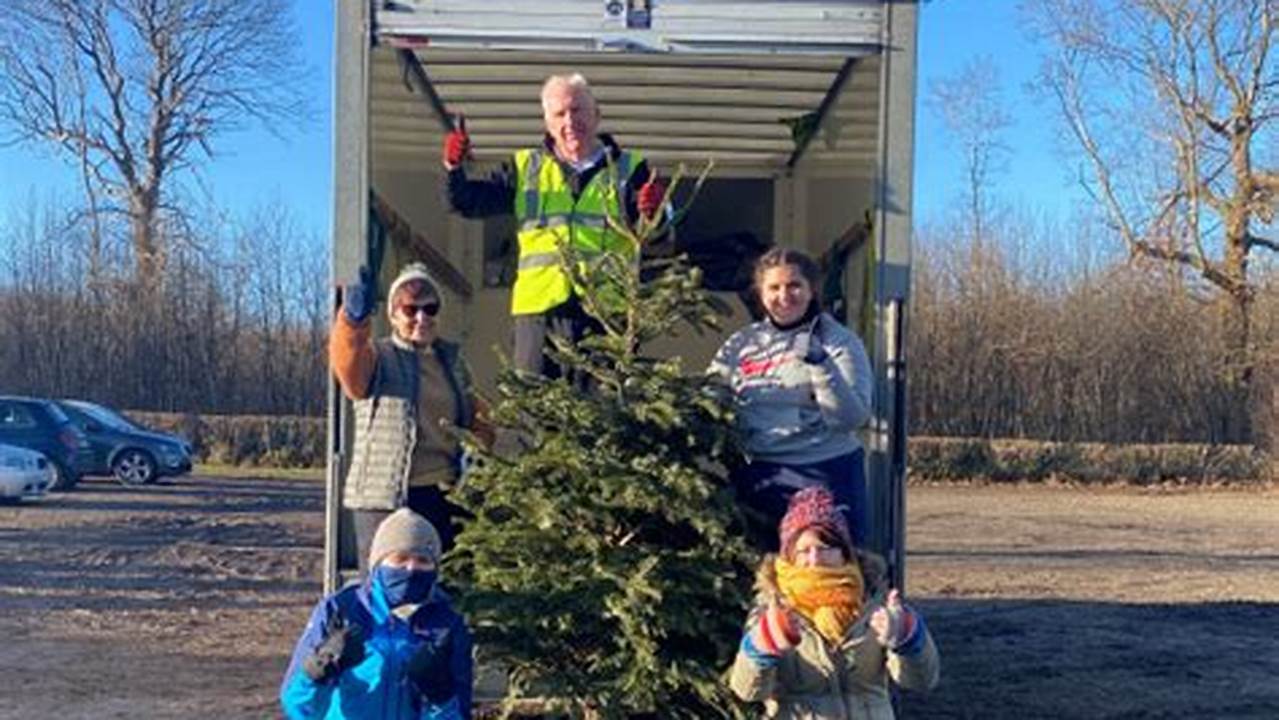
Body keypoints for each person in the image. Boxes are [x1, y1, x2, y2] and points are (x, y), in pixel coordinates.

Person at [442, 72, 667, 377]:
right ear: (547, 122)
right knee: (534, 404)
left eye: (577, 110)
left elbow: (659, 235)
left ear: (597, 115)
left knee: (604, 404)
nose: (570, 121)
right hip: (538, 315)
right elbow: (465, 202)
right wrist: (453, 167)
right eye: (560, 114)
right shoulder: (525, 168)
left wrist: (654, 212)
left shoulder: (631, 169)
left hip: (605, 316)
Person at [331, 261, 493, 572]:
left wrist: (478, 449)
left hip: (444, 494)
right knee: (388, 585)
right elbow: (350, 372)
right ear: (393, 315)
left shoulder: (454, 363)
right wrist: (352, 321)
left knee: (445, 583)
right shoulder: (378, 358)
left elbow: (480, 416)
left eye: (430, 309)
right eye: (410, 309)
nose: (421, 317)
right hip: (384, 499)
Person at [709, 247, 873, 549]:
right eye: (774, 288)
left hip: (826, 471)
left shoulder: (839, 341)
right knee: (763, 568)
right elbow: (712, 397)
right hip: (761, 475)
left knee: (823, 568)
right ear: (761, 294)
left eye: (794, 285)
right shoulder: (742, 344)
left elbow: (850, 418)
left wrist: (821, 365)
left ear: (811, 290)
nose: (784, 296)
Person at [729, 487, 939, 718]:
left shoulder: (876, 600)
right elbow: (747, 691)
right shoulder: (771, 607)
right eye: (804, 550)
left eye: (825, 548)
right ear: (789, 555)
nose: (815, 559)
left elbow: (922, 681)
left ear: (844, 552)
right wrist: (762, 647)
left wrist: (907, 638)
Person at [281, 508, 473, 719]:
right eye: (400, 558)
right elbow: (297, 707)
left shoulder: (447, 621)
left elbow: (458, 712)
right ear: (379, 563)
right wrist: (318, 669)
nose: (411, 568)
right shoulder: (340, 609)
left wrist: (440, 696)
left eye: (423, 560)